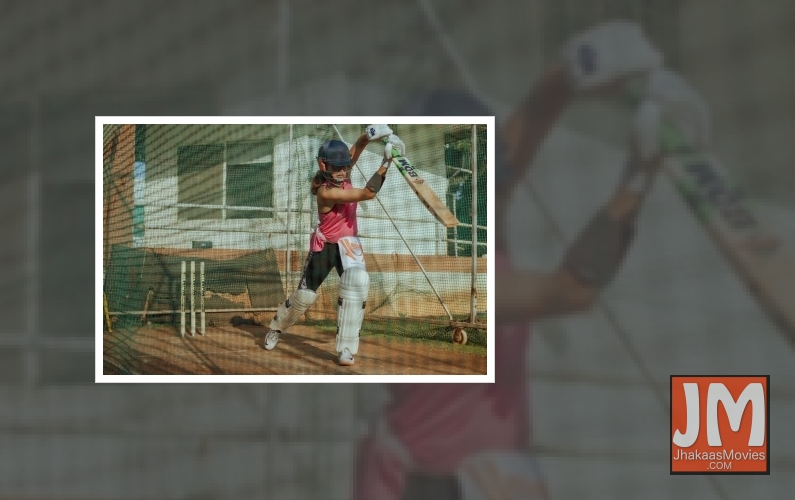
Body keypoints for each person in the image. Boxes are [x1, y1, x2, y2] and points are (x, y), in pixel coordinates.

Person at [352, 21, 710, 499]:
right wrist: (638, 177)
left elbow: (516, 145)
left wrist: (572, 70)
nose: (502, 190)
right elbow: (572, 289)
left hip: (477, 478)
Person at [263, 125, 406, 366]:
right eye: (336, 167)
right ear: (323, 166)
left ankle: (347, 349)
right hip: (326, 247)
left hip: (349, 244)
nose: (342, 171)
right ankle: (276, 329)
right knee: (303, 297)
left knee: (356, 287)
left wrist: (372, 134)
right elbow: (367, 193)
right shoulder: (325, 192)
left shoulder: (341, 170)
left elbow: (359, 146)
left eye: (345, 167)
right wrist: (386, 163)